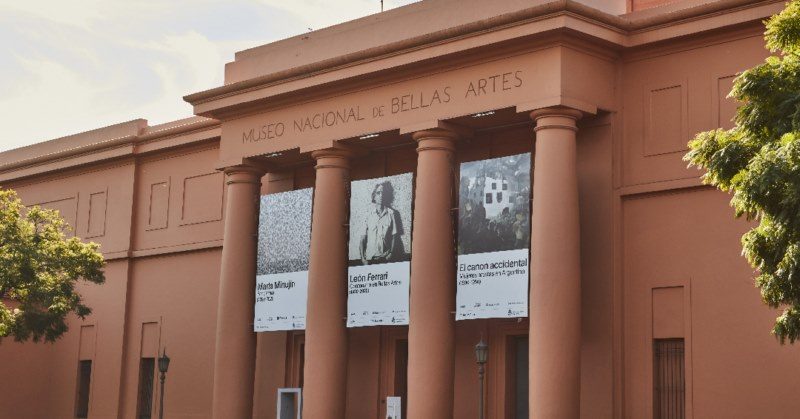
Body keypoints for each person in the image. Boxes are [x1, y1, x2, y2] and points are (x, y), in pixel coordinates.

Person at [359, 181, 404, 265]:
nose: (381, 195)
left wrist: (390, 254)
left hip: (385, 259)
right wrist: (363, 258)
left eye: (383, 193)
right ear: (374, 196)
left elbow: (395, 236)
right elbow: (363, 239)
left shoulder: (392, 213)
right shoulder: (367, 215)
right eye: (378, 193)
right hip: (369, 259)